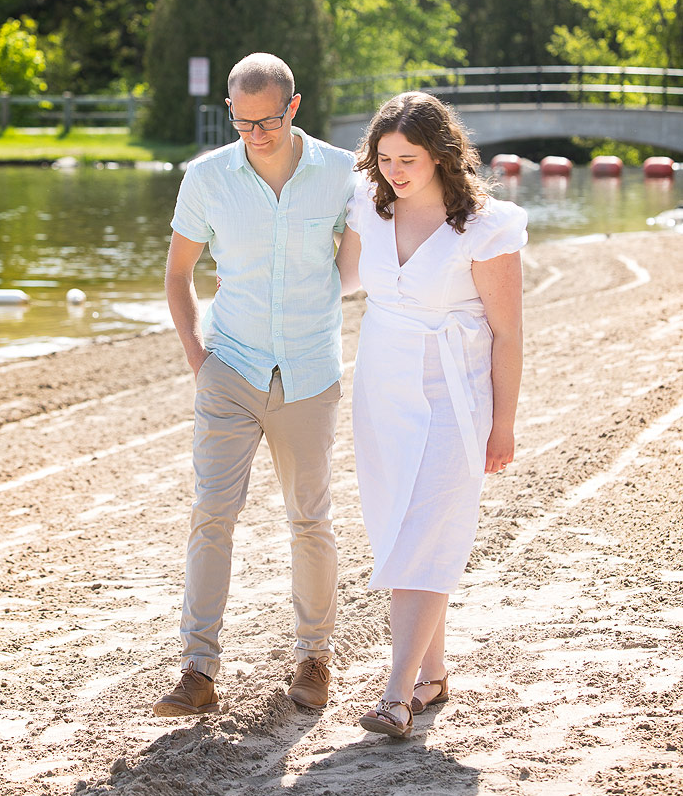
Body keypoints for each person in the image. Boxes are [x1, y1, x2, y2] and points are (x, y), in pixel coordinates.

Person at [153, 53, 358, 717]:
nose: (255, 135)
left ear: (293, 107)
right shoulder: (207, 177)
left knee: (310, 518)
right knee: (211, 514)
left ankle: (314, 658)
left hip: (309, 372)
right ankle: (198, 669)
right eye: (241, 123)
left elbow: (356, 266)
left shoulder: (341, 174)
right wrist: (199, 358)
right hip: (230, 369)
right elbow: (178, 273)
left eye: (267, 122)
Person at [334, 91, 527, 738]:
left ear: (441, 155)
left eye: (407, 159)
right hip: (382, 391)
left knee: (424, 532)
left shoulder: (486, 227)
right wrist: (257, 283)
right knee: (399, 527)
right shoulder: (368, 206)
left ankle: (395, 696)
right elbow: (340, 282)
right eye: (385, 158)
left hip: (455, 394)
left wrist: (503, 423)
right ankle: (433, 673)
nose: (394, 171)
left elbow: (508, 334)